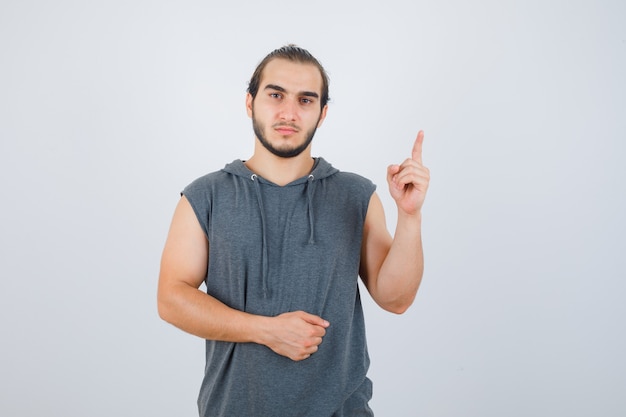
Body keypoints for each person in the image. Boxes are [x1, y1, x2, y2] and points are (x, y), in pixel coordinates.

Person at [157, 44, 430, 417]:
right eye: (275, 95)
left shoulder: (356, 195)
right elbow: (171, 299)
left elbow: (395, 299)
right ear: (250, 103)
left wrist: (409, 216)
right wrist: (265, 330)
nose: (289, 112)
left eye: (305, 100)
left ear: (322, 114)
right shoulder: (205, 196)